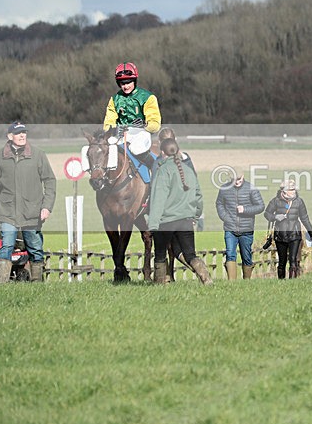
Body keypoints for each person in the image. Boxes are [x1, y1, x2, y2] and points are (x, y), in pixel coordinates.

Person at [0, 121, 56, 283]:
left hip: (32, 211)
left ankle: (37, 284)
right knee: (6, 247)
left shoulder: (38, 154)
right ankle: (2, 286)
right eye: (18, 133)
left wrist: (46, 207)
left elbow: (50, 181)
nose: (22, 135)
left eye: (24, 132)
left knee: (35, 249)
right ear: (10, 136)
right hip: (7, 210)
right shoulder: (0, 156)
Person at [147, 138, 212, 285]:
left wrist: (153, 223)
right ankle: (205, 277)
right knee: (190, 254)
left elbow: (158, 199)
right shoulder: (188, 170)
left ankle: (160, 285)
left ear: (162, 152)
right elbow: (198, 196)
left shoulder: (163, 170)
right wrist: (195, 214)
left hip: (166, 221)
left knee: (160, 255)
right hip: (186, 220)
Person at [103, 61, 162, 173]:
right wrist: (114, 128)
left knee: (136, 148)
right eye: (122, 83)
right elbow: (107, 124)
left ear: (134, 80)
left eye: (128, 82)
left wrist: (145, 124)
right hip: (120, 134)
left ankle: (157, 171)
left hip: (141, 133)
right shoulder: (114, 99)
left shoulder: (148, 97)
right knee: (108, 145)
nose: (125, 86)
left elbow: (155, 125)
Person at [215, 172, 265, 280]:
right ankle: (232, 283)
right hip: (230, 228)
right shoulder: (224, 189)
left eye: (239, 179)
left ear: (243, 176)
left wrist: (245, 209)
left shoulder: (251, 189)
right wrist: (225, 217)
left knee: (246, 257)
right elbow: (219, 204)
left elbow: (260, 206)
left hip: (246, 229)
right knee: (230, 254)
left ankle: (246, 281)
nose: (237, 182)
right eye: (234, 180)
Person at [263, 180, 312, 279]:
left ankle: (292, 282)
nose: (294, 191)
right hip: (280, 235)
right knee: (282, 261)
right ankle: (281, 281)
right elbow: (267, 214)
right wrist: (275, 217)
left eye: (294, 189)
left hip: (295, 234)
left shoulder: (299, 201)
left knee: (293, 259)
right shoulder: (275, 201)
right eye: (291, 189)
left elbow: (305, 218)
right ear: (284, 191)